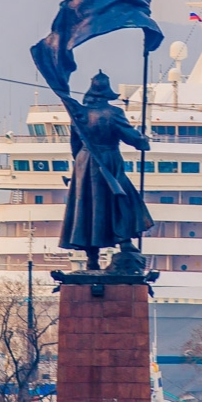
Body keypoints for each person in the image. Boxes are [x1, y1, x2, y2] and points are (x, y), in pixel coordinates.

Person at [57, 71, 154, 270]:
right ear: (107, 95)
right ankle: (125, 242)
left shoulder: (79, 114)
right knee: (123, 200)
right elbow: (131, 138)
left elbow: (74, 145)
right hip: (109, 159)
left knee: (88, 208)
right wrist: (143, 141)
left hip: (84, 163)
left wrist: (82, 165)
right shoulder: (113, 113)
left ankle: (92, 259)